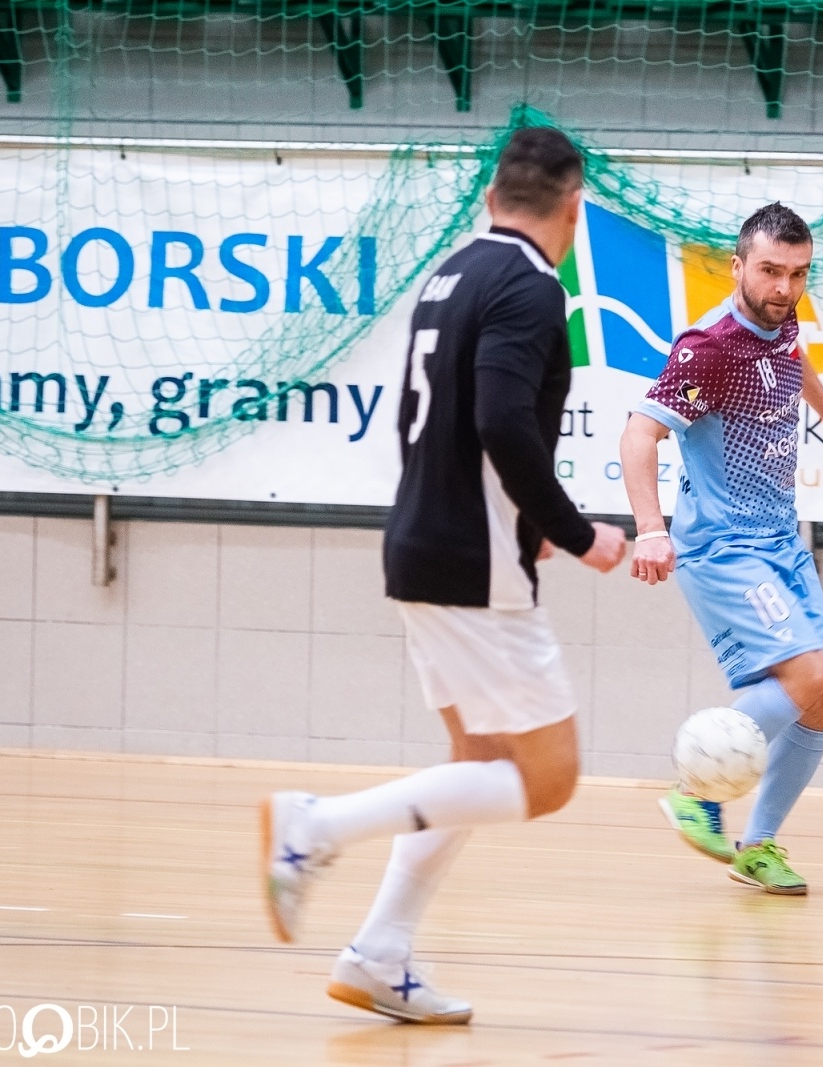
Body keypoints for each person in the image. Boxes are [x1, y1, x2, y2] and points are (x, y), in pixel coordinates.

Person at [259, 127, 627, 1024]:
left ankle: (379, 951)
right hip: (473, 561)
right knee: (547, 779)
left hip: (425, 537)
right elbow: (504, 421)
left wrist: (514, 519)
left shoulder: (453, 273)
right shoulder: (533, 289)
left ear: (491, 198)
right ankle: (315, 825)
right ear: (573, 209)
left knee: (478, 761)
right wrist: (572, 533)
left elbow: (432, 423)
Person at [619, 202, 823, 895]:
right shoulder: (708, 347)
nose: (784, 288)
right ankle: (695, 791)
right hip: (723, 546)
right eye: (769, 271)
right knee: (804, 674)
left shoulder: (782, 323)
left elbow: (792, 360)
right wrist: (650, 529)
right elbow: (639, 435)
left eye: (798, 274)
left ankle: (757, 845)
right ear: (737, 267)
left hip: (779, 539)